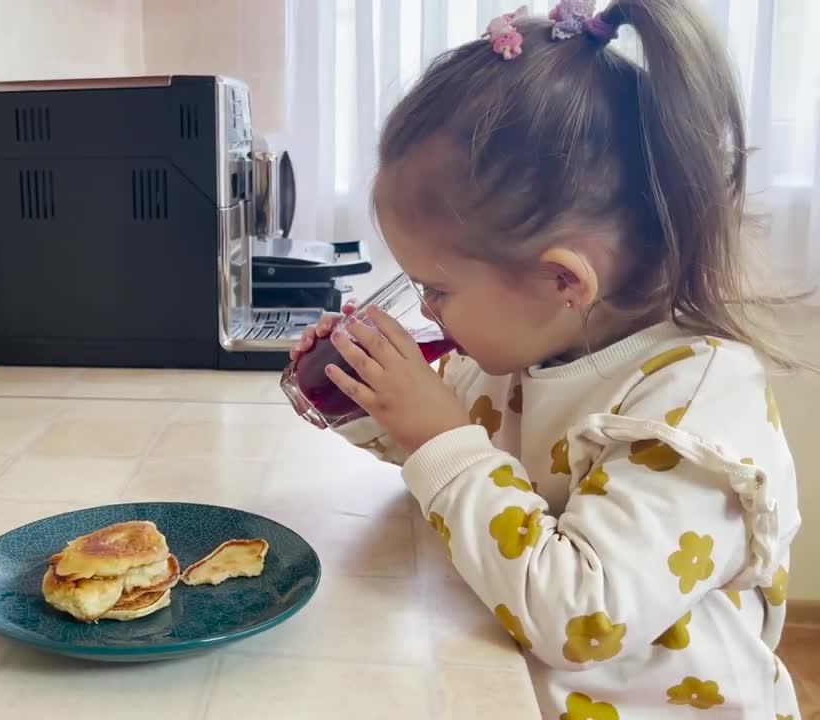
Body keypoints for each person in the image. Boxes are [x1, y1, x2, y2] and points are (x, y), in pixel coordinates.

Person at [290, 0, 804, 716]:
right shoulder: (527, 349)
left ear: (564, 279)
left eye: (436, 288)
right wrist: (374, 399)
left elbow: (580, 617)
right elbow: (468, 473)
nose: (425, 310)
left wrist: (438, 438)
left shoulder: (693, 407)